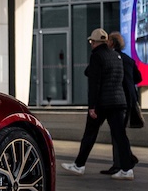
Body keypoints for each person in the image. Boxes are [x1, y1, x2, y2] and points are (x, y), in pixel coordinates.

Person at [61, 28, 135, 180]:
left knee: (90, 134)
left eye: (91, 42)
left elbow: (94, 83)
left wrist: (92, 106)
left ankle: (79, 165)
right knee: (120, 136)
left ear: (94, 42)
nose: (91, 44)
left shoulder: (97, 57)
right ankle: (127, 170)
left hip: (102, 103)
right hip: (118, 102)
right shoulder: (116, 56)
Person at [100, 31, 142, 175]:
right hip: (130, 99)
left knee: (118, 133)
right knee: (119, 132)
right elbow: (138, 77)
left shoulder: (113, 58)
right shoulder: (128, 59)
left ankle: (122, 163)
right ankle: (125, 160)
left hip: (119, 100)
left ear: (111, 43)